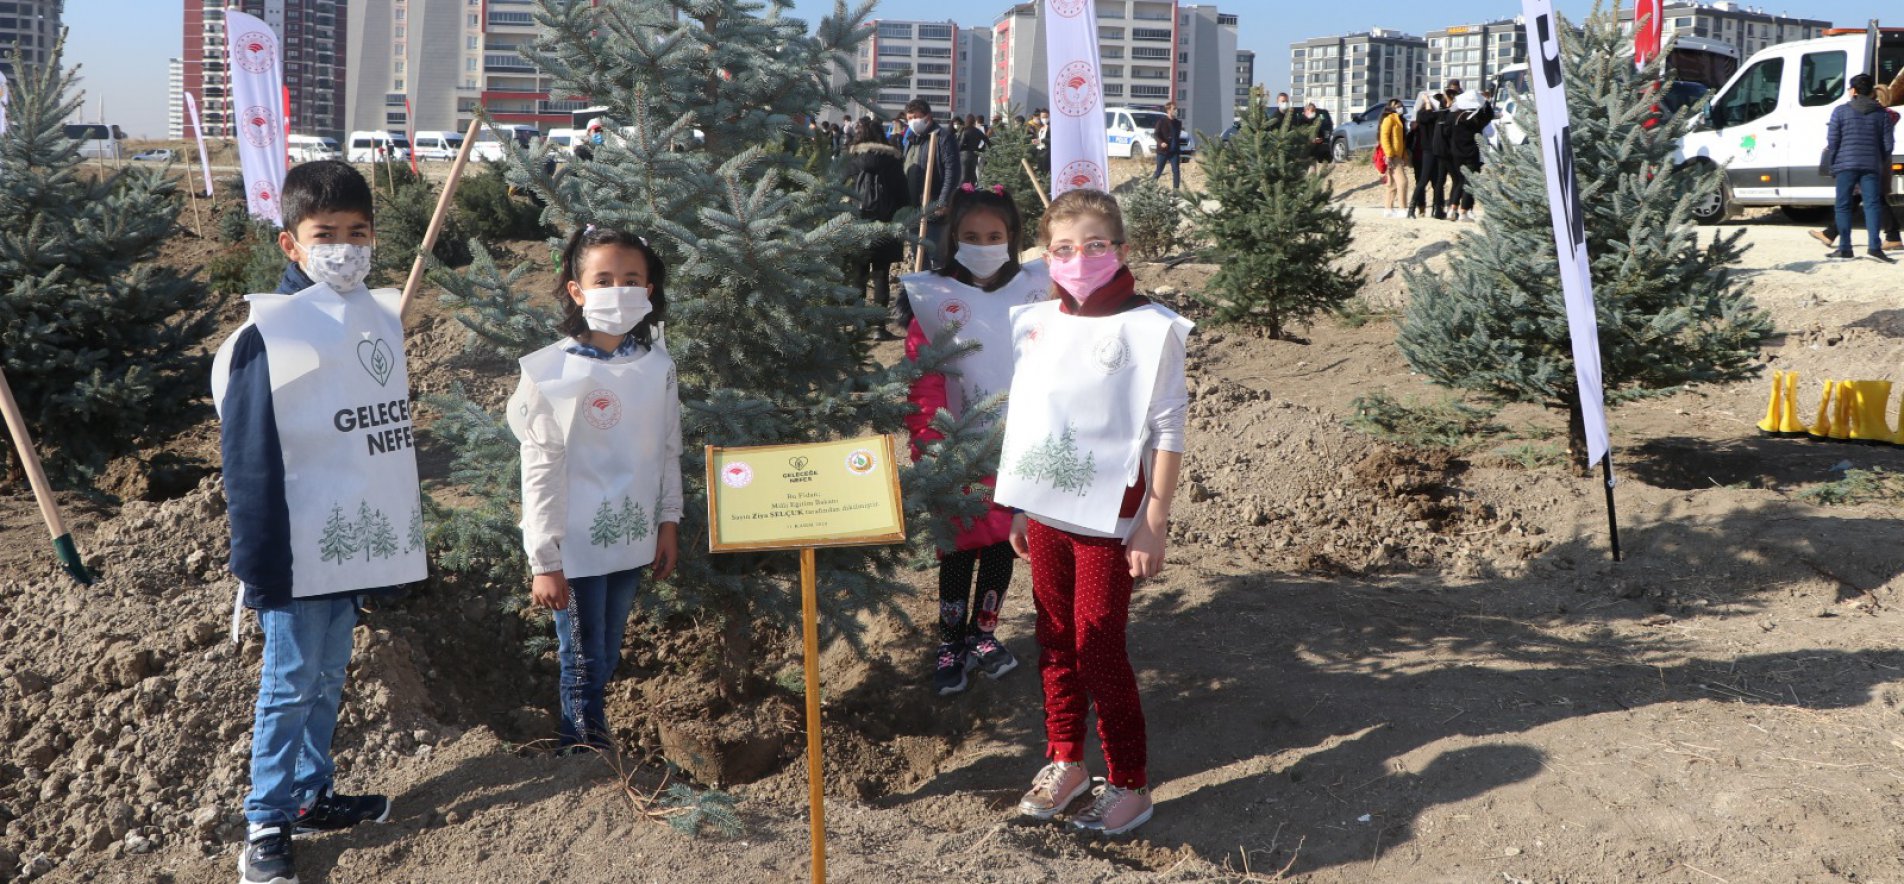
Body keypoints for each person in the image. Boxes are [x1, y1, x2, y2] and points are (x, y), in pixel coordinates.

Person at [212, 160, 420, 884]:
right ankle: (265, 819)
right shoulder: (270, 333)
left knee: (329, 674)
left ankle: (310, 795)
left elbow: (376, 430)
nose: (344, 247)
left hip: (349, 541)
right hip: (297, 545)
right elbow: (250, 459)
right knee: (291, 678)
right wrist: (259, 557)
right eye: (324, 234)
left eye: (358, 233)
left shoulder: (370, 317)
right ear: (289, 244)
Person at [998, 189, 1192, 837]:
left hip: (1113, 523)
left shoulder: (1150, 327)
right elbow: (1031, 417)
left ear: (1122, 251)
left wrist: (1153, 519)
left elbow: (1167, 427)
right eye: (1063, 249)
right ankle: (1065, 760)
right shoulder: (1039, 323)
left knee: (1099, 646)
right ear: (1047, 257)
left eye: (1095, 246)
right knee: (1053, 639)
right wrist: (1024, 505)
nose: (1079, 259)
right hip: (1049, 515)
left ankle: (1130, 782)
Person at [508, 225, 683, 750]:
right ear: (576, 290)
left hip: (630, 542)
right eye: (602, 279)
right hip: (574, 546)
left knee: (605, 649)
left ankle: (587, 737)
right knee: (580, 655)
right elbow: (538, 470)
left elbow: (667, 448)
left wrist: (668, 521)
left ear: (649, 290)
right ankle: (582, 747)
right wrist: (544, 558)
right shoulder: (552, 372)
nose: (618, 290)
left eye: (631, 279)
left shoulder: (656, 366)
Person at [899, 184, 1050, 695]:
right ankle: (951, 639)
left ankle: (984, 631)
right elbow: (924, 377)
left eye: (994, 235)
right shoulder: (935, 300)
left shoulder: (1035, 290)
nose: (983, 244)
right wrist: (932, 441)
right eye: (970, 236)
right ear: (952, 240)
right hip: (957, 450)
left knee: (1004, 543)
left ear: (1012, 238)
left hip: (1017, 447)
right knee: (959, 548)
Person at [1822, 73, 1897, 263]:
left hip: (1845, 165)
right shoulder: (1881, 114)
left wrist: (1833, 164)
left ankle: (1845, 248)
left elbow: (1833, 141)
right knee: (1872, 205)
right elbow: (1888, 144)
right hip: (1871, 165)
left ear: (1854, 91)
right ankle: (1874, 248)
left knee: (1843, 206)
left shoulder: (1840, 111)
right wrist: (1877, 159)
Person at [845, 119, 910, 335]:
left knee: (858, 274)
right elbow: (903, 193)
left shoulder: (852, 157)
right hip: (886, 221)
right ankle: (879, 327)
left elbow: (839, 187)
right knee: (881, 274)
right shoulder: (891, 158)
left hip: (857, 220)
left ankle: (857, 325)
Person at [903, 99, 963, 269]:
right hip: (914, 208)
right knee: (919, 256)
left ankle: (943, 292)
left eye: (916, 117)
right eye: (909, 118)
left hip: (935, 206)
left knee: (938, 254)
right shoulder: (911, 139)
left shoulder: (942, 138)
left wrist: (943, 201)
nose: (912, 121)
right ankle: (925, 291)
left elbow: (953, 171)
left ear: (927, 117)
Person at [1445, 90, 1496, 221]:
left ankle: (1452, 209)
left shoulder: (1456, 116)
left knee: (1460, 181)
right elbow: (1490, 115)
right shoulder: (1476, 117)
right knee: (1470, 182)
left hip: (1456, 153)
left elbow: (1447, 131)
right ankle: (1463, 212)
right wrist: (1485, 102)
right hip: (1471, 153)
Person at [1412, 93, 1450, 219]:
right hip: (1427, 151)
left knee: (1438, 182)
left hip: (1437, 152)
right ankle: (1411, 209)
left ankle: (1438, 209)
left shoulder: (1437, 115)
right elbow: (1427, 117)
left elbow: (1438, 115)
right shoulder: (1421, 115)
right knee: (1422, 181)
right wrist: (1427, 102)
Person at [1379, 98, 1411, 218]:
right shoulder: (1389, 119)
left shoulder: (1398, 120)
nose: (1399, 107)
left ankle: (1388, 209)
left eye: (1400, 105)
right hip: (1392, 155)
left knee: (1392, 184)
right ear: (1390, 107)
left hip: (1397, 154)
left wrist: (1404, 156)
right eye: (1396, 106)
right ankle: (1403, 209)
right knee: (1402, 181)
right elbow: (1384, 137)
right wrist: (1388, 154)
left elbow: (1401, 140)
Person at [959, 113, 988, 186]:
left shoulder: (965, 131)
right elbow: (987, 141)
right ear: (974, 122)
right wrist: (980, 150)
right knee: (972, 174)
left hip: (964, 155)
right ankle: (972, 191)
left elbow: (961, 144)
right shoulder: (978, 131)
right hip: (974, 155)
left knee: (964, 175)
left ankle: (962, 192)